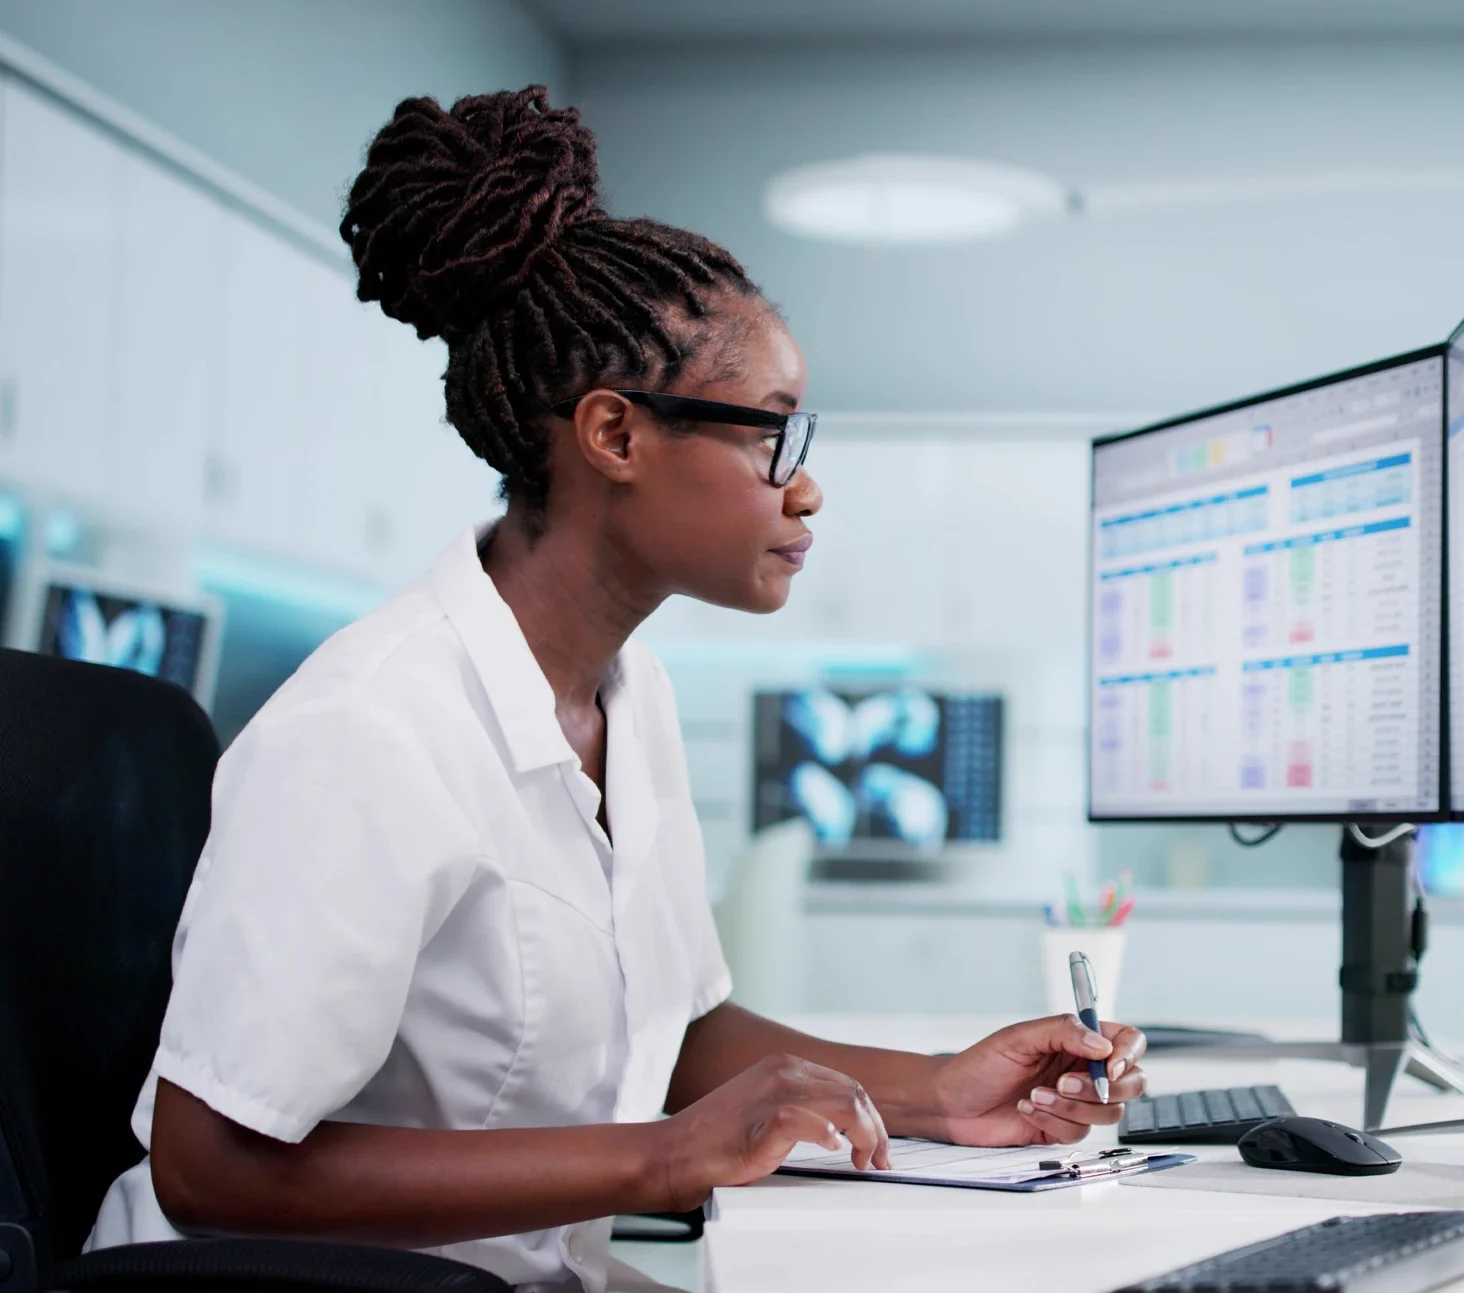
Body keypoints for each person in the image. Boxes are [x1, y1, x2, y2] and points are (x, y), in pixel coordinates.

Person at [84, 87, 1147, 1290]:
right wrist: (659, 1161)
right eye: (770, 437)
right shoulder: (367, 729)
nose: (805, 490)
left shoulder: (622, 703)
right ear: (615, 436)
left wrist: (939, 1090)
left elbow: (674, 1032)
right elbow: (208, 1166)